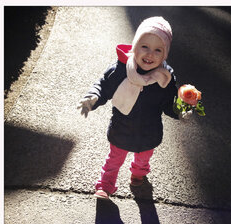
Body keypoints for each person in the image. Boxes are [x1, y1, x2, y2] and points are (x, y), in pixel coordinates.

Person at [77, 16, 191, 200]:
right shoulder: (121, 69)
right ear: (134, 45)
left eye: (158, 50)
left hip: (149, 130)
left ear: (165, 55)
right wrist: (93, 97)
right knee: (114, 159)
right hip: (122, 126)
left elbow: (169, 103)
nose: (150, 54)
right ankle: (104, 186)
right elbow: (104, 86)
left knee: (143, 157)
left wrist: (182, 110)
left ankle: (138, 174)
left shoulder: (165, 78)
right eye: (144, 46)